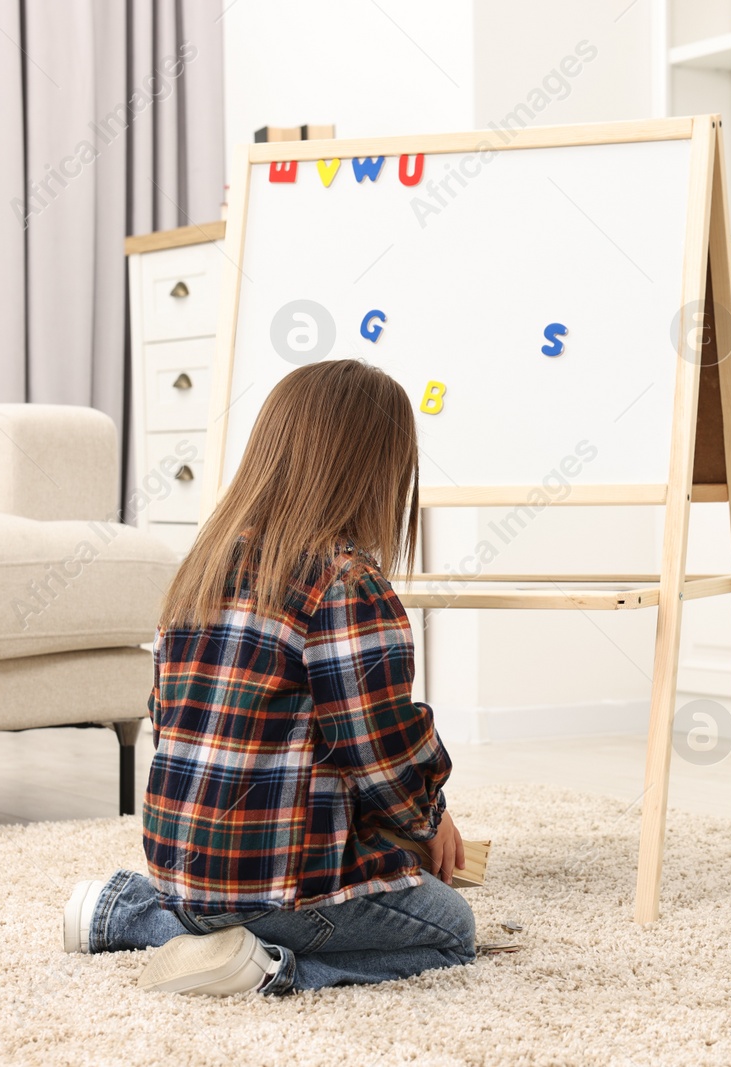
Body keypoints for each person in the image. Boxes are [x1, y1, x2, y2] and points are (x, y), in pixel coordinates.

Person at [61, 359, 473, 996]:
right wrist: (428, 819)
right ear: (378, 473)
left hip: (182, 874)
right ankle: (272, 968)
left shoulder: (203, 566)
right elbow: (380, 748)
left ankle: (132, 913)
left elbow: (164, 716)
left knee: (247, 891)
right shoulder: (347, 583)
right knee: (449, 929)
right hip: (270, 887)